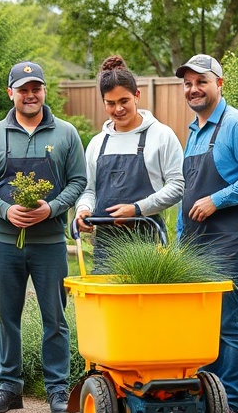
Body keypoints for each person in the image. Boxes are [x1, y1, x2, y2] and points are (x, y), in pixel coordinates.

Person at [0, 61, 87, 413]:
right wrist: (6, 211)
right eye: (23, 89)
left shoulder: (66, 133)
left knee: (55, 317)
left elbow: (79, 181)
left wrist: (51, 208)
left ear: (44, 91)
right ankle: (9, 387)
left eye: (35, 87)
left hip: (50, 242)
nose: (30, 94)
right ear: (11, 93)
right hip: (5, 242)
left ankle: (57, 389)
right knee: (8, 317)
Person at [175, 54, 238, 413]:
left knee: (229, 326)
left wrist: (219, 199)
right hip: (197, 243)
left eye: (201, 81)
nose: (194, 89)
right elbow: (190, 194)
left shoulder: (237, 125)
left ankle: (233, 409)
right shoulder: (195, 131)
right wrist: (181, 241)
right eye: (187, 83)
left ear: (220, 83)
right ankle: (208, 404)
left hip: (232, 238)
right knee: (203, 327)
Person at [74, 55, 184, 266]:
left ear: (137, 95)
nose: (118, 109)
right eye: (111, 103)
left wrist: (137, 209)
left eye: (124, 101)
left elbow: (178, 185)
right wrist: (83, 211)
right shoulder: (98, 143)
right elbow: (89, 190)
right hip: (105, 245)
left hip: (148, 239)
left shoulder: (161, 135)